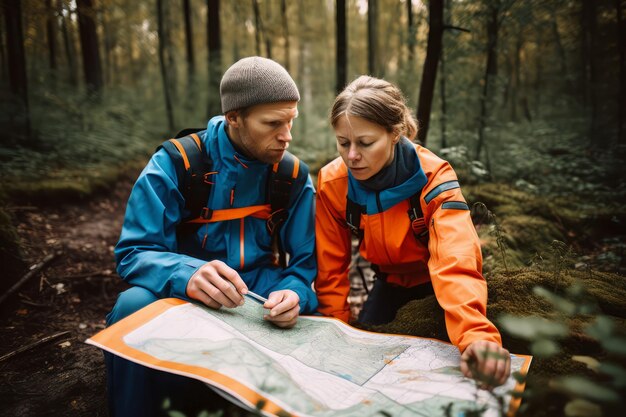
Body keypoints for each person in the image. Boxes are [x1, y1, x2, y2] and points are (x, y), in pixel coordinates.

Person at [105, 56, 318, 416]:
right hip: (183, 295)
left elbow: (305, 266)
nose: (287, 136)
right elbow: (134, 251)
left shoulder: (292, 175)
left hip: (258, 299)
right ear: (234, 117)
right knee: (131, 308)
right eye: (272, 123)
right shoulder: (177, 162)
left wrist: (295, 294)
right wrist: (187, 274)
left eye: (290, 121)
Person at [314, 75, 510, 389]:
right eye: (343, 142)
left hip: (437, 286)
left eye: (365, 143)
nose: (351, 155)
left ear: (395, 133)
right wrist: (336, 328)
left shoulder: (434, 177)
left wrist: (475, 334)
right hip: (388, 283)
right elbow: (330, 265)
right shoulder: (332, 184)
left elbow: (455, 257)